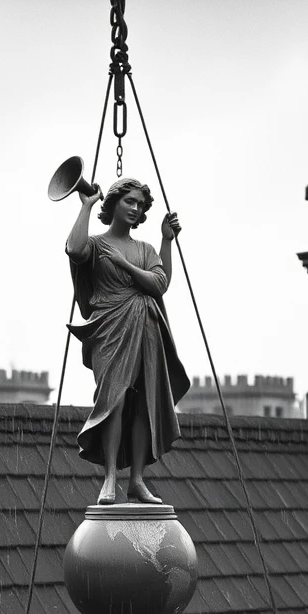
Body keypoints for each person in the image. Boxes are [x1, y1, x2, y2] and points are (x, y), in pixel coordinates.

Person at [66, 177, 191, 506]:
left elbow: (159, 282)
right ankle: (110, 476)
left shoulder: (145, 249)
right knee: (114, 401)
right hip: (111, 328)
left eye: (140, 204)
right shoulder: (96, 244)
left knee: (143, 404)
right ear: (114, 203)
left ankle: (136, 479)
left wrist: (166, 241)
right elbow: (74, 249)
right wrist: (86, 205)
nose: (136, 209)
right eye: (129, 202)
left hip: (146, 327)